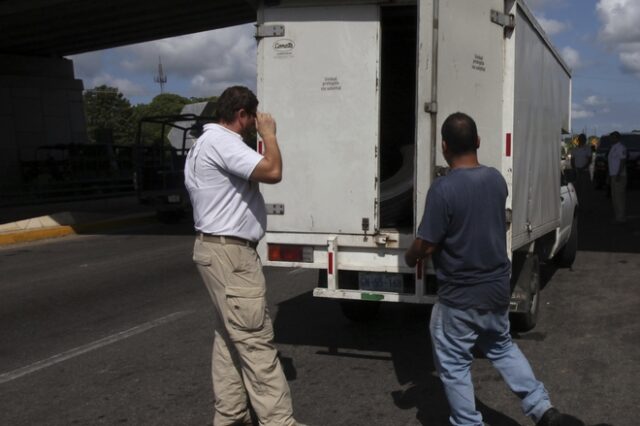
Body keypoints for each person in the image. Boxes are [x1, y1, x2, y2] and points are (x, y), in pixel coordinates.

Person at [405, 113, 568, 426]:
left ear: (443, 146)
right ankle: (543, 410)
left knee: (453, 364)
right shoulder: (495, 180)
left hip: (459, 294)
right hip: (495, 287)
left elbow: (426, 243)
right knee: (502, 346)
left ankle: (468, 423)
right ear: (478, 142)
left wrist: (410, 258)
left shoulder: (442, 189)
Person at [184, 86, 304, 426]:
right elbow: (272, 171)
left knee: (229, 337)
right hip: (231, 255)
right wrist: (270, 136)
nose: (255, 123)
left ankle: (231, 415)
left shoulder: (202, 144)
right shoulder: (224, 142)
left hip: (214, 250)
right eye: (253, 118)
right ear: (241, 115)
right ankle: (279, 422)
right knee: (255, 342)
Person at [607, 131, 627, 224]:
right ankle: (617, 216)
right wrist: (609, 175)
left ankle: (621, 217)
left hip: (619, 175)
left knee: (619, 197)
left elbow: (623, 161)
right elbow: (611, 163)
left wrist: (619, 174)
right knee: (614, 197)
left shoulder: (621, 147)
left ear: (617, 138)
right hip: (613, 175)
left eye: (612, 137)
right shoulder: (612, 148)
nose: (611, 139)